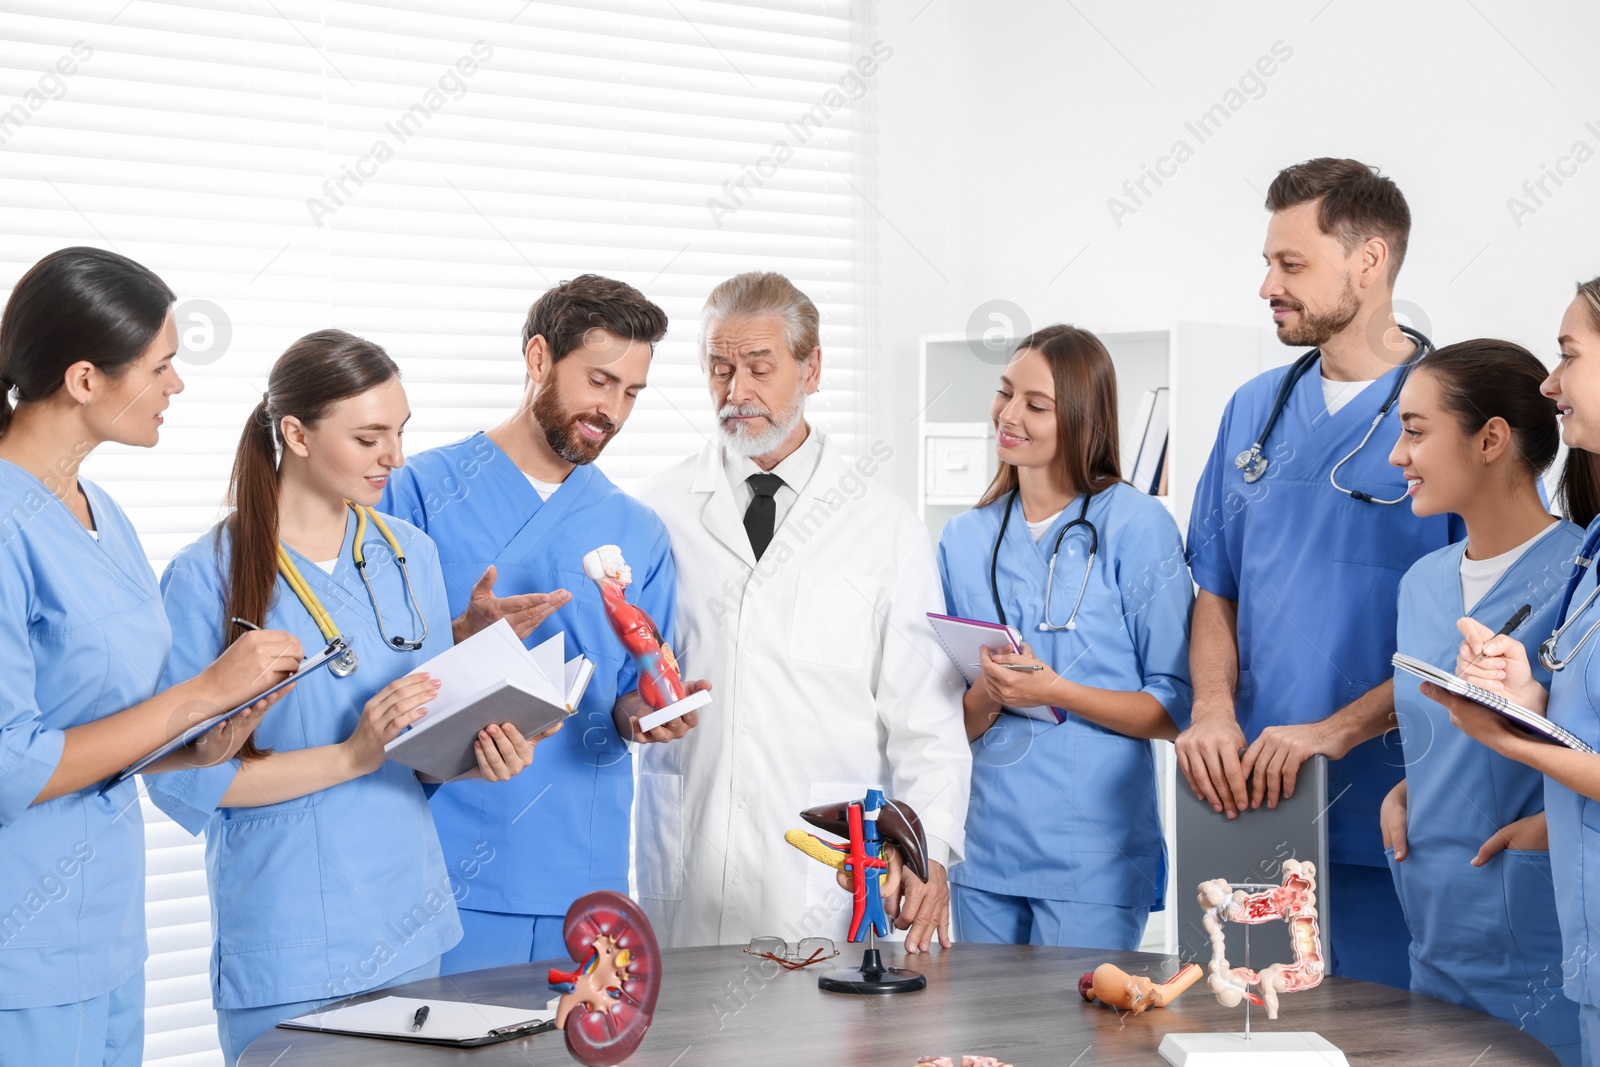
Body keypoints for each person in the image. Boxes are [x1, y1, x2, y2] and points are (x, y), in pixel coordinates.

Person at [148, 330, 542, 1064]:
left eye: (400, 431)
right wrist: (353, 754)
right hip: (289, 945)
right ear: (294, 433)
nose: (394, 456)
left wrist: (485, 743)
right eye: (368, 437)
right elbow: (187, 781)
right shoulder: (207, 575)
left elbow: (420, 746)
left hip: (411, 925)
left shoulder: (410, 554)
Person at [0, 248, 302, 1064]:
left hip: (105, 932)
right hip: (19, 951)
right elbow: (9, 765)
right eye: (162, 365)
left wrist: (200, 743)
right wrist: (202, 691)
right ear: (85, 379)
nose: (177, 385)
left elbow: (104, 728)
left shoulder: (105, 515)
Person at [1178, 157, 1464, 988]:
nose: (1267, 284)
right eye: (1269, 261)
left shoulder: (1454, 413)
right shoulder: (1251, 409)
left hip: (1396, 809)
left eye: (1291, 264)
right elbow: (1216, 587)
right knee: (1249, 1034)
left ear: (1368, 262)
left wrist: (1337, 729)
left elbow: (1484, 625)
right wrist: (1210, 708)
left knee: (1387, 1040)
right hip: (1253, 804)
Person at [635, 271, 971, 951]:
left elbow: (926, 719)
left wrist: (931, 848)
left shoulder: (883, 525)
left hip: (829, 871)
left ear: (812, 367)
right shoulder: (656, 510)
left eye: (759, 367)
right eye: (719, 369)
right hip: (691, 858)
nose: (737, 392)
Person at [381, 274, 701, 973]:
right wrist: (460, 641)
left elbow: (623, 700)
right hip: (444, 866)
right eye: (599, 380)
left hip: (582, 876)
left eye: (631, 393)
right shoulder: (417, 491)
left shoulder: (637, 529)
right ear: (536, 359)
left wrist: (647, 712)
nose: (612, 408)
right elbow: (373, 681)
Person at [936, 325, 1192, 949]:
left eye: (1036, 404)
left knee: (1072, 1041)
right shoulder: (963, 538)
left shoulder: (1137, 525)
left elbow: (1175, 709)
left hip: (1093, 852)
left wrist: (1057, 691)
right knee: (984, 1045)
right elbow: (941, 722)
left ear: (1080, 418)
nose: (1009, 415)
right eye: (1004, 394)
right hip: (984, 847)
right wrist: (992, 695)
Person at [1380, 339, 1580, 1063]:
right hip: (1435, 936)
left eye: (1415, 429)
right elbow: (1456, 729)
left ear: (1491, 438)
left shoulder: (1581, 579)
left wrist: (1547, 829)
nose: (1397, 456)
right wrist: (1412, 786)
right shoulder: (1421, 582)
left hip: (1539, 947)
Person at [1449, 279, 1600, 1064]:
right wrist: (1527, 694)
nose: (1551, 382)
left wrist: (1515, 743)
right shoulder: (1596, 541)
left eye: (1569, 355)